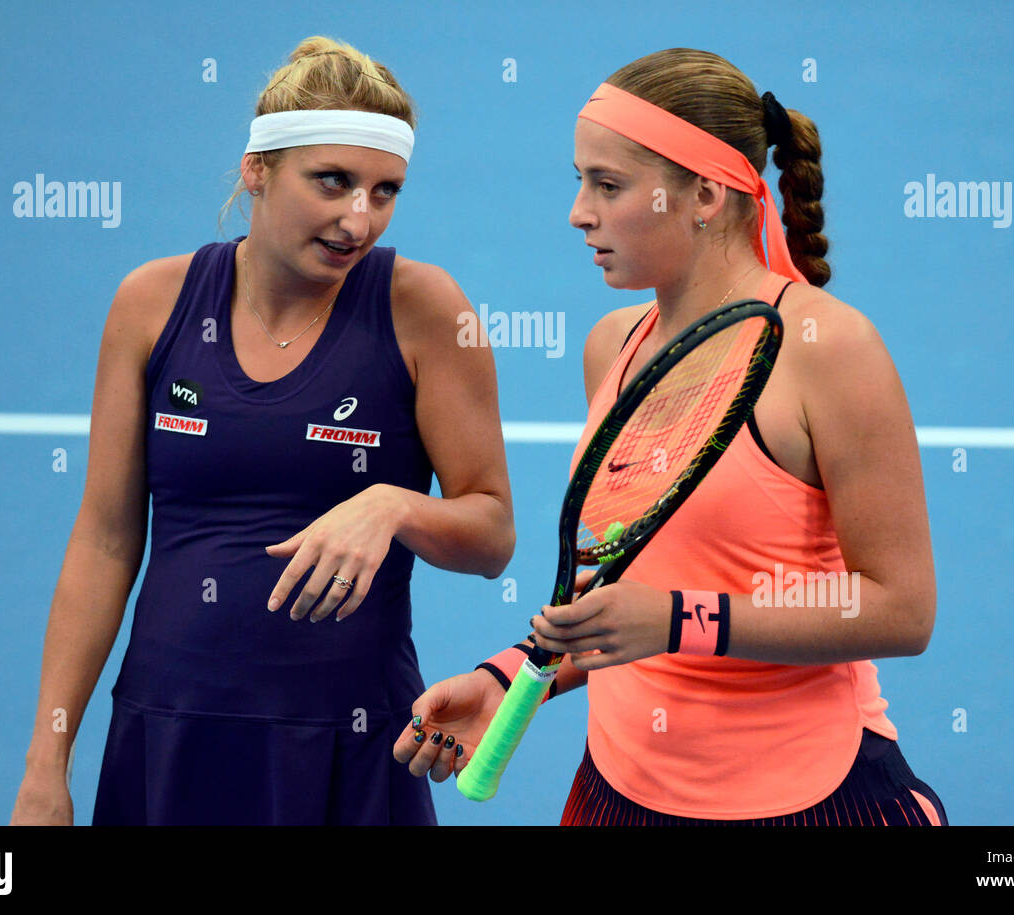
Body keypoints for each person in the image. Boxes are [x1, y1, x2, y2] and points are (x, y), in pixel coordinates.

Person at [394, 47, 947, 826]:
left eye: (609, 185)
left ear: (707, 194)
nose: (579, 211)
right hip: (622, 790)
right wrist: (515, 673)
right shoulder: (611, 346)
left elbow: (903, 610)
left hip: (806, 794)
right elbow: (631, 585)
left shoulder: (832, 351)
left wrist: (685, 619)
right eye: (580, 180)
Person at [10, 36, 515, 826]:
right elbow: (106, 541)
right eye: (334, 182)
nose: (360, 218)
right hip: (168, 733)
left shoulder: (423, 307)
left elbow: (491, 535)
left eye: (385, 191)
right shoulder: (149, 302)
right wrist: (47, 765)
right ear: (257, 169)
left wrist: (393, 505)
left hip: (347, 744)